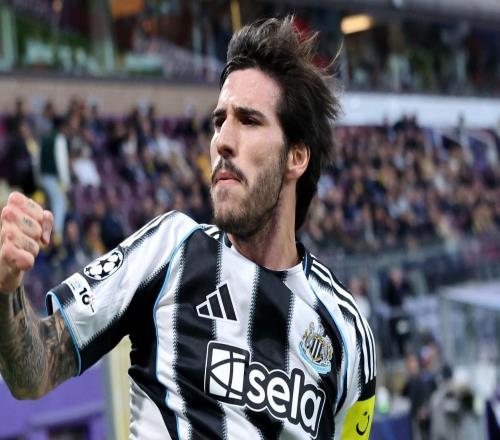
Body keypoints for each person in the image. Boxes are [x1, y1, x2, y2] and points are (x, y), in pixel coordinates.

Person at [0, 16, 376, 439]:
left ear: (296, 157)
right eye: (219, 121)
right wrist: (5, 287)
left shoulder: (346, 330)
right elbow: (32, 372)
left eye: (248, 121)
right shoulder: (169, 251)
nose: (222, 140)